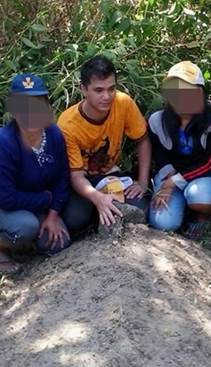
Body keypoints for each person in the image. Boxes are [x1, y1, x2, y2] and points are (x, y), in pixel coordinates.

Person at [0, 74, 70, 273]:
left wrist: (53, 215)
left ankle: (29, 242)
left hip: (31, 196)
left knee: (58, 242)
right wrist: (45, 200)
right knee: (26, 225)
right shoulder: (2, 142)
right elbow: (4, 197)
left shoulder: (54, 134)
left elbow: (63, 176)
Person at [58, 55, 151, 234]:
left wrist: (143, 181)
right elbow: (76, 176)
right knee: (75, 220)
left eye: (111, 89)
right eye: (99, 90)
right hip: (80, 180)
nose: (106, 97)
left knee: (141, 208)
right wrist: (97, 198)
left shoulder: (123, 103)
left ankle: (103, 210)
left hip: (109, 174)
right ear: (83, 89)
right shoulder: (67, 124)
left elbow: (143, 139)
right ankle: (96, 210)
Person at [147, 61, 211, 240]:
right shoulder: (157, 120)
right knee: (163, 223)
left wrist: (173, 183)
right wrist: (168, 177)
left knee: (200, 196)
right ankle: (181, 210)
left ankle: (202, 216)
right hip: (171, 173)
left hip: (207, 175)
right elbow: (158, 155)